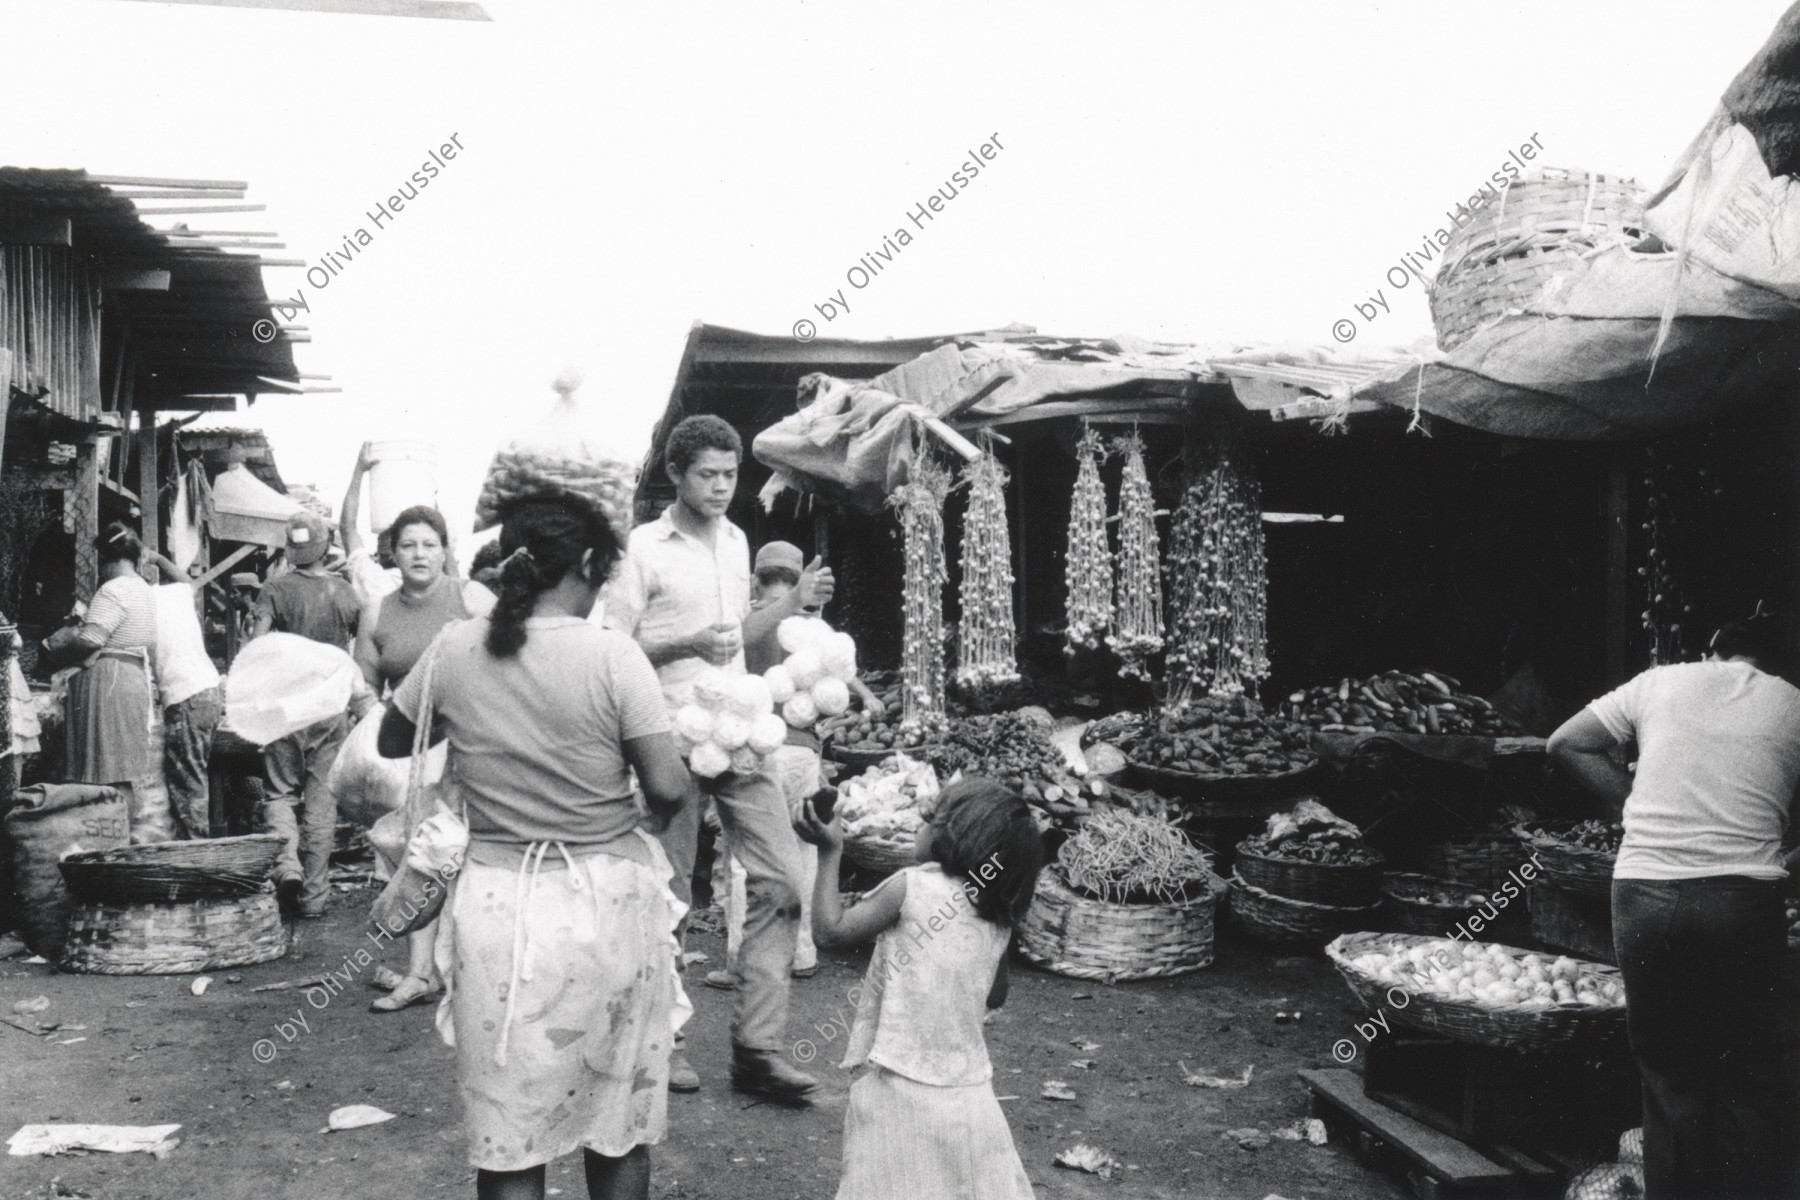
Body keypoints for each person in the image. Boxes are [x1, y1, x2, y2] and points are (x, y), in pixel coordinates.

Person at [376, 495, 694, 1200]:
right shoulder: (615, 656)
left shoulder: (457, 645)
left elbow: (394, 740)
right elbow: (668, 789)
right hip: (609, 902)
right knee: (617, 1122)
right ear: (585, 564)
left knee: (510, 1137)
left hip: (498, 907)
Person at [604, 415, 829, 1104]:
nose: (722, 487)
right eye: (708, 474)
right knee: (665, 896)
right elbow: (611, 653)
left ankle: (757, 1051)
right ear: (675, 474)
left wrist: (791, 603)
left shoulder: (736, 542)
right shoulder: (641, 550)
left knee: (782, 882)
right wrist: (682, 645)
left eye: (730, 475)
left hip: (739, 732)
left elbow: (733, 643)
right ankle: (660, 1041)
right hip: (666, 737)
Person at [1548, 612, 1800, 1200]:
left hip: (1644, 895)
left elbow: (1566, 743)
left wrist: (1634, 800)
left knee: (1669, 1080)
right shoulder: (1792, 702)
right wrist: (1781, 866)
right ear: (1782, 663)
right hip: (1742, 903)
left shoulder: (1658, 681)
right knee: (1750, 1077)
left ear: (1713, 649)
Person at [799, 776, 1043, 1200]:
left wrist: (829, 850)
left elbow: (830, 932)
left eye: (930, 820)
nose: (920, 825)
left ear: (951, 838)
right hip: (970, 1093)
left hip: (899, 1086)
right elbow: (995, 995)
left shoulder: (910, 887)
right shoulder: (996, 912)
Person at [707, 540, 884, 988]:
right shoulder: (812, 625)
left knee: (746, 858)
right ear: (798, 577)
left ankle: (743, 963)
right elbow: (841, 675)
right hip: (804, 752)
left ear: (756, 578)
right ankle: (801, 954)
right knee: (805, 852)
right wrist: (866, 696)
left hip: (757, 752)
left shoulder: (749, 622)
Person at [353, 504, 474, 1013]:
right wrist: (371, 713)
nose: (419, 554)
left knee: (472, 856)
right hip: (408, 749)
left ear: (445, 550)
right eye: (408, 545)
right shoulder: (377, 610)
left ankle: (474, 971)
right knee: (416, 855)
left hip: (469, 744)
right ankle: (420, 973)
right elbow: (363, 681)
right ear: (393, 553)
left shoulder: (470, 598)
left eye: (429, 543)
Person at [252, 510, 363, 917]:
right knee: (321, 801)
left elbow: (256, 646)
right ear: (325, 544)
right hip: (329, 708)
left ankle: (286, 866)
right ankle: (314, 898)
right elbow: (361, 645)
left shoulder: (274, 590)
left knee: (280, 792)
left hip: (285, 706)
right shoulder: (345, 592)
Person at [43, 525, 159, 809]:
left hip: (109, 681)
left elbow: (92, 641)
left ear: (109, 558)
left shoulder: (113, 589)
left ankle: (103, 839)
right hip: (131, 676)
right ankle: (121, 831)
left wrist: (58, 650)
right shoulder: (144, 589)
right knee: (122, 770)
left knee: (101, 770)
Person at [144, 549, 223, 839]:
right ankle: (199, 847)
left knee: (189, 784)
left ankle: (196, 854)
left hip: (184, 696)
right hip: (209, 691)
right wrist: (157, 557)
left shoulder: (140, 600)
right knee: (196, 775)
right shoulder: (175, 594)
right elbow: (186, 579)